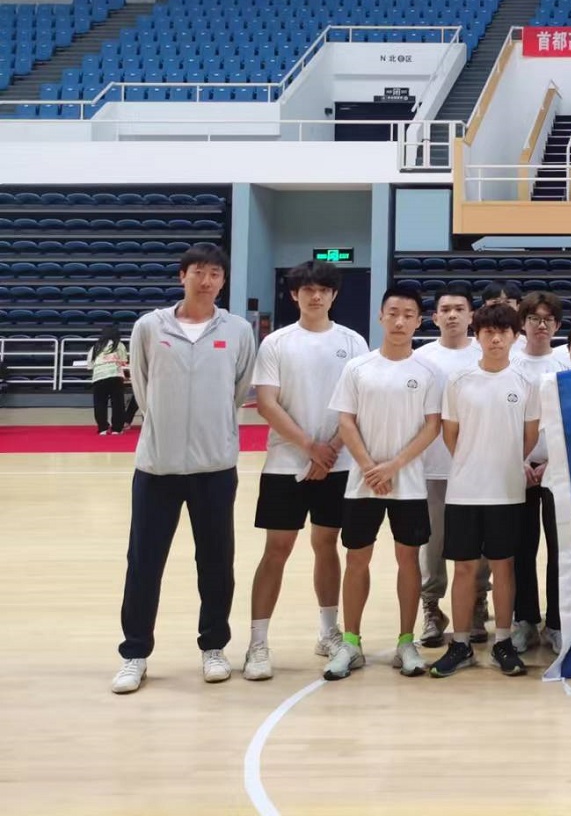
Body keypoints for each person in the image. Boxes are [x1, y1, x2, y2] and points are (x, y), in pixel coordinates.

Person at [112, 243, 256, 695]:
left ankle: (214, 647)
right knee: (144, 562)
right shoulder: (149, 327)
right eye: (199, 271)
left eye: (215, 273)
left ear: (223, 281)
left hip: (215, 467)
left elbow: (238, 389)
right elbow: (142, 385)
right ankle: (135, 653)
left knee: (216, 561)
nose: (207, 280)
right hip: (157, 466)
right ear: (182, 276)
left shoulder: (238, 331)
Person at [243, 261, 369, 681]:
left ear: (334, 295)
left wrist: (329, 451)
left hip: (338, 463)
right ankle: (258, 642)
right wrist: (310, 448)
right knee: (276, 549)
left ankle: (329, 631)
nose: (316, 296)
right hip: (285, 463)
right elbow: (267, 403)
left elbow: (358, 403)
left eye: (324, 289)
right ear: (294, 294)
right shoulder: (276, 343)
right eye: (308, 289)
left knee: (327, 544)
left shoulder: (353, 342)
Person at [323, 286, 444, 681]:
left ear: (419, 321)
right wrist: (368, 466)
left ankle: (406, 641)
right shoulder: (357, 368)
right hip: (362, 483)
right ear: (380, 316)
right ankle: (351, 643)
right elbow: (345, 420)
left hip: (408, 484)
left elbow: (432, 426)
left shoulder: (429, 372)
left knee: (408, 560)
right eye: (393, 313)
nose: (399, 321)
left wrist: (393, 466)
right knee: (356, 559)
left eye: (408, 315)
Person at [428, 304, 538, 679]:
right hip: (464, 490)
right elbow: (451, 434)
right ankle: (460, 644)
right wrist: (472, 463)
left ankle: (502, 642)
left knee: (504, 566)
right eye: (488, 332)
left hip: (507, 491)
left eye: (503, 332)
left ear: (515, 337)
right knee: (463, 568)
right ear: (478, 336)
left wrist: (504, 463)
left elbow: (529, 436)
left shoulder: (525, 382)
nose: (495, 339)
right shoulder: (459, 380)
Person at [413, 286, 487, 649]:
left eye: (460, 308)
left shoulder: (485, 353)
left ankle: (477, 604)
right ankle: (432, 608)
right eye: (446, 309)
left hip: (479, 467)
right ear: (435, 317)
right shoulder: (422, 358)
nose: (453, 314)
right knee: (433, 542)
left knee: (481, 541)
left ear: (472, 315)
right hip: (434, 467)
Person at [511, 291, 570, 654]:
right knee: (521, 546)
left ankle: (557, 623)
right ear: (523, 323)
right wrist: (519, 460)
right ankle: (525, 620)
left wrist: (552, 461)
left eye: (548, 319)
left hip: (556, 468)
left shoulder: (565, 364)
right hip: (517, 467)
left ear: (557, 325)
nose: (541, 325)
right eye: (534, 318)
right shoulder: (510, 363)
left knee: (558, 548)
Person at [86, 326, 130, 435]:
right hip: (115, 375)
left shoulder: (96, 347)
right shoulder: (119, 345)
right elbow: (124, 361)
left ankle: (103, 428)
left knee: (100, 403)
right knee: (118, 403)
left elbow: (90, 365)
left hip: (99, 377)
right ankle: (117, 429)